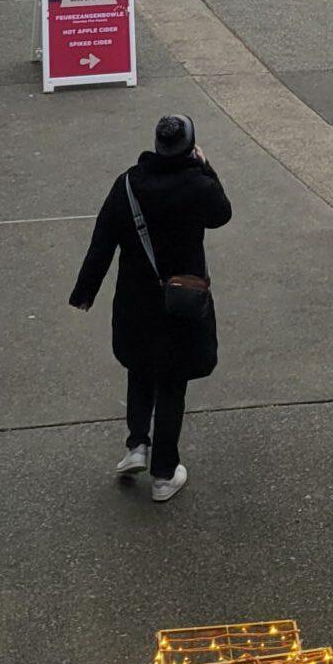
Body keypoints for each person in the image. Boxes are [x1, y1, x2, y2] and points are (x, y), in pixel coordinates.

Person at [70, 115, 232, 503]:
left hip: (136, 300)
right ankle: (163, 474)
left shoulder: (129, 185)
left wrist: (85, 291)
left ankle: (136, 445)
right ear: (189, 146)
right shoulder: (197, 184)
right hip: (181, 301)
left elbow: (102, 240)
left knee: (140, 369)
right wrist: (206, 166)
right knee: (173, 383)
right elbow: (222, 213)